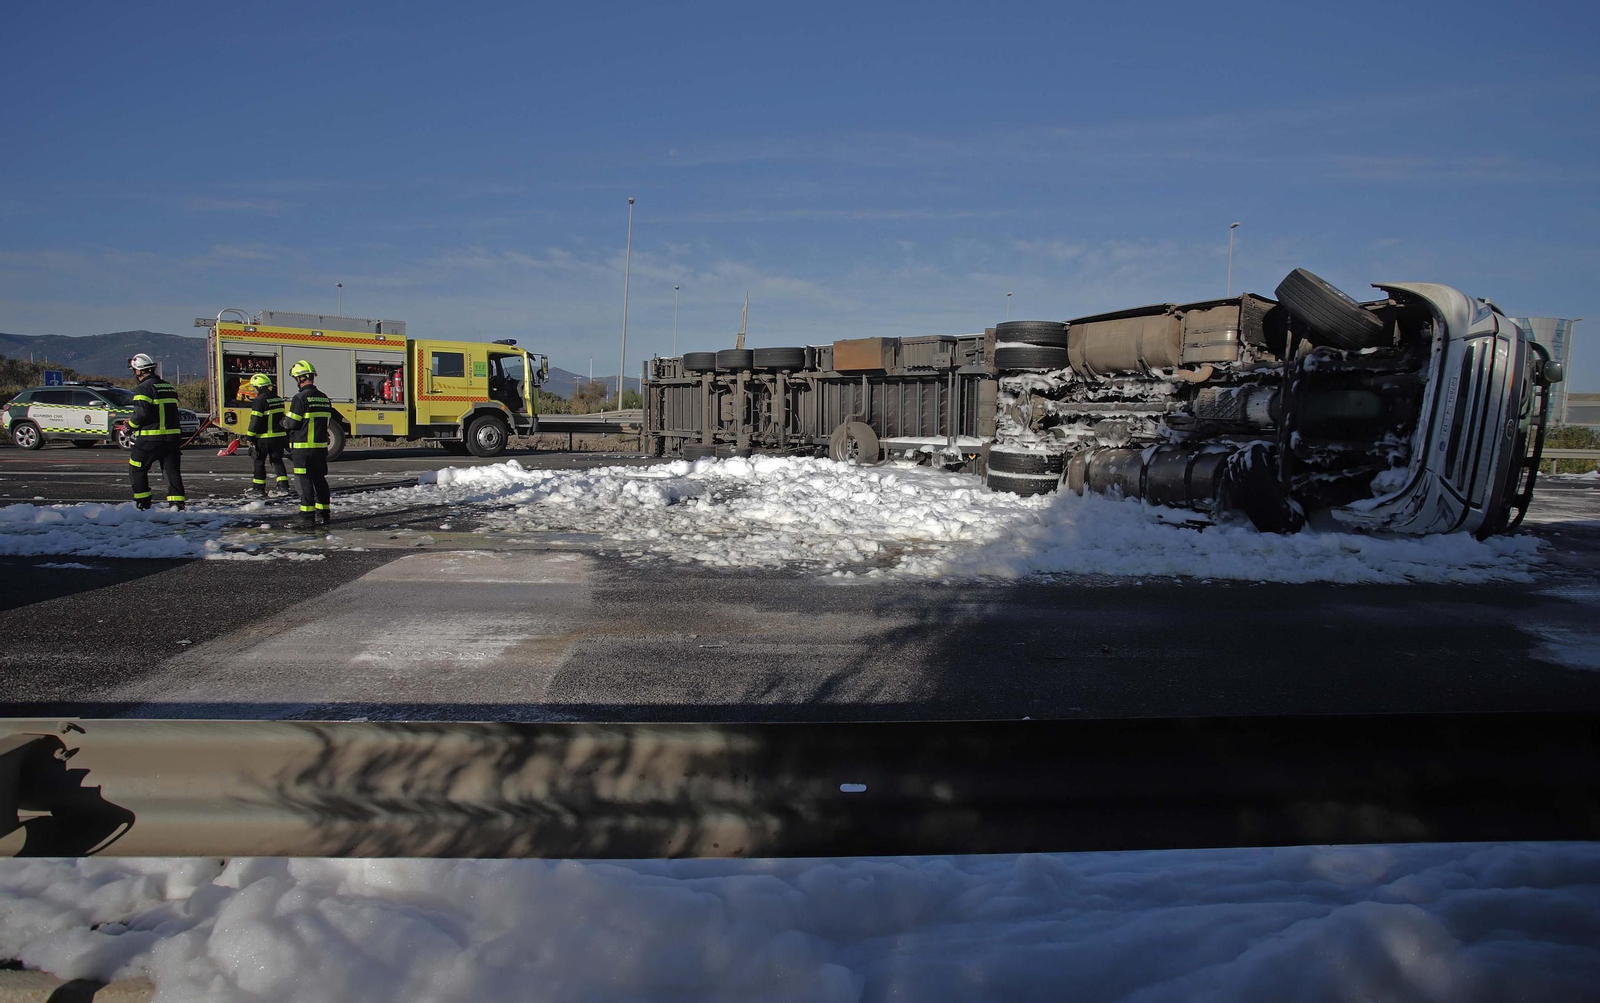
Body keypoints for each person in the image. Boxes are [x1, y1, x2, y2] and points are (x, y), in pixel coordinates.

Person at [123, 353, 186, 510]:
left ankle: (143, 504)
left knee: (136, 468)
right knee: (171, 472)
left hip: (150, 439)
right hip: (172, 440)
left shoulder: (143, 389)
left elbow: (141, 414)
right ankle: (177, 505)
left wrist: (129, 427)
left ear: (138, 371)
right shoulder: (168, 387)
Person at [283, 359, 335, 528]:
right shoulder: (324, 398)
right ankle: (324, 514)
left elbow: (292, 423)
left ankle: (307, 516)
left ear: (300, 379)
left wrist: (282, 422)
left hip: (302, 449)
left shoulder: (300, 398)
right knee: (320, 480)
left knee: (304, 481)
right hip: (320, 449)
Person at [245, 373, 290, 498]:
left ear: (259, 387)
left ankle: (258, 489)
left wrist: (249, 437)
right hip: (279, 437)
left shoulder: (259, 401)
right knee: (277, 461)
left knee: (259, 462)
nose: (253, 391)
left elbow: (255, 421)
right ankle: (283, 487)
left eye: (254, 388)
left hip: (264, 438)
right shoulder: (278, 399)